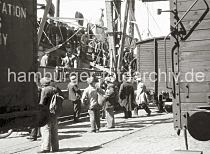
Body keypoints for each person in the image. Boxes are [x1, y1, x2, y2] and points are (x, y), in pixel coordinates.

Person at [38, 77, 60, 153]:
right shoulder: (54, 89)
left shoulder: (45, 90)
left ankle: (46, 148)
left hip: (46, 113)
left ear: (42, 84)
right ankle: (55, 147)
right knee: (54, 130)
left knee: (45, 129)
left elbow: (42, 103)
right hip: (54, 112)